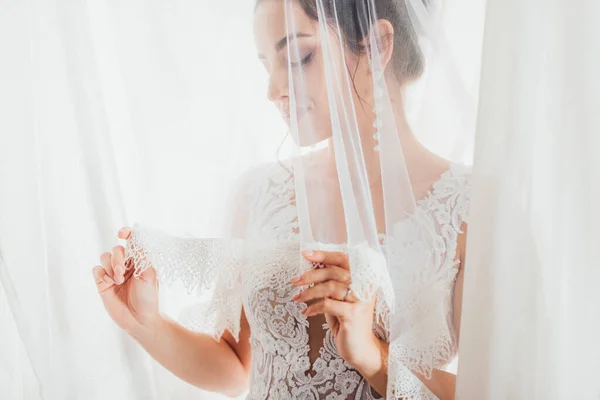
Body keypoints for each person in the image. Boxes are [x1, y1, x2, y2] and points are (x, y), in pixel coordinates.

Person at [92, 0, 472, 398]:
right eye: (266, 66)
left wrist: (374, 358)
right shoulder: (259, 193)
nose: (273, 91)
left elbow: (492, 388)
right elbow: (238, 368)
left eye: (297, 58)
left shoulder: (467, 208)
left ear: (377, 44)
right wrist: (145, 324)